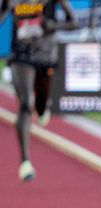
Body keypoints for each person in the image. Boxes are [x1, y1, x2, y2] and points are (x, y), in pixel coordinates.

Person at [0, 0, 78, 181]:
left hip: (45, 56)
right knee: (26, 104)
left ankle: (43, 108)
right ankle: (25, 162)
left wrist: (53, 26)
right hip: (21, 55)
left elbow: (73, 22)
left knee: (40, 107)